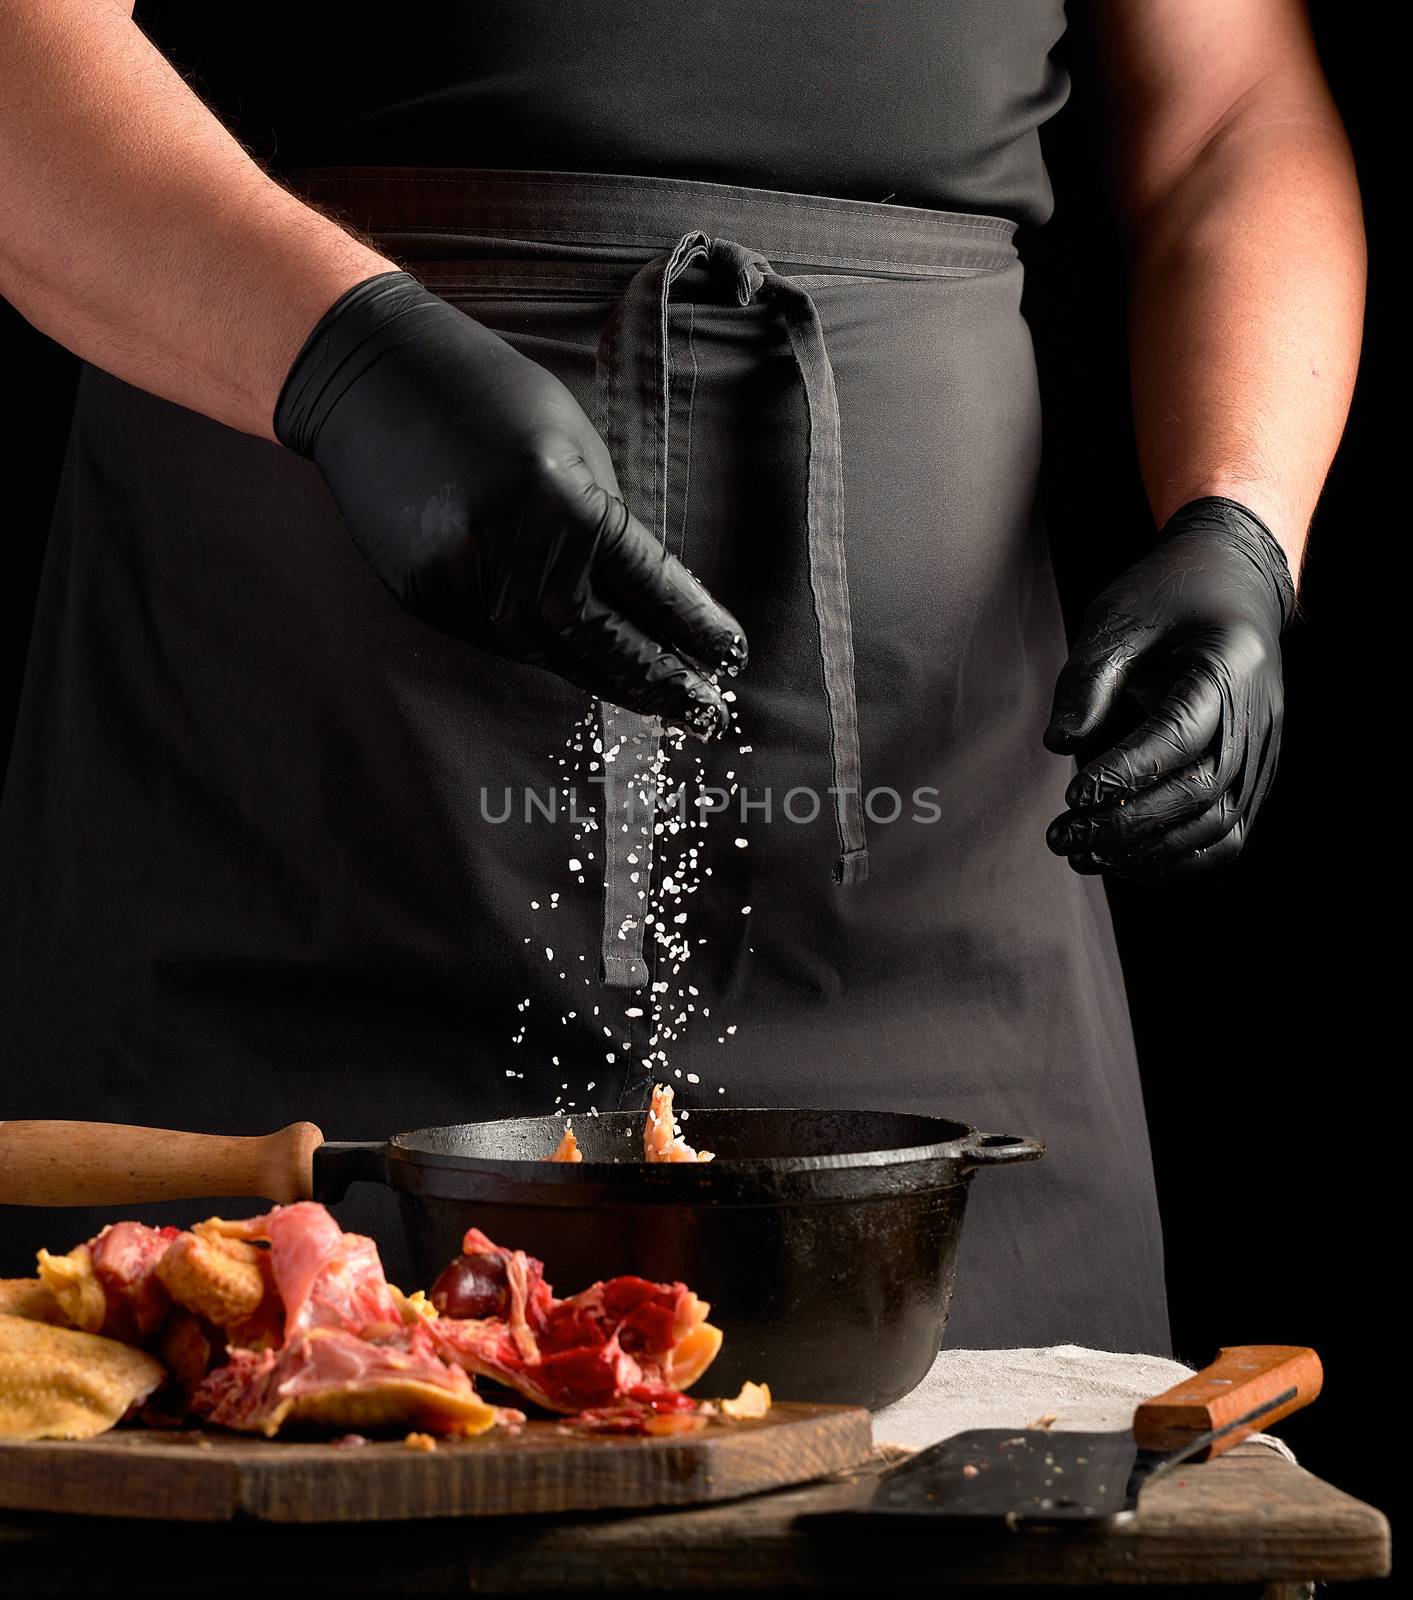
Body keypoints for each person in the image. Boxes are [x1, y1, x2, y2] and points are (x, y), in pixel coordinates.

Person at [0, 1, 1363, 1356]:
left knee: (1004, 1516)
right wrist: (345, 368)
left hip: (922, 901)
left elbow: (1228, 118)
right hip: (285, 858)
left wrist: (1239, 521)